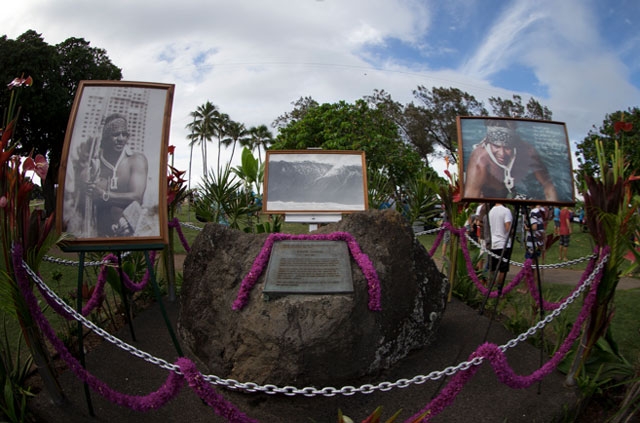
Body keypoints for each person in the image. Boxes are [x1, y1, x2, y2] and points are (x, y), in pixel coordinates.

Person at [72, 113, 148, 237]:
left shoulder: (136, 161)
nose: (121, 138)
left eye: (124, 134)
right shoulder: (92, 167)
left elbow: (137, 197)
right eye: (116, 134)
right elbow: (81, 207)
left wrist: (104, 195)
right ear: (106, 137)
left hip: (130, 233)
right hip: (99, 234)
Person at [464, 121, 558, 201]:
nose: (502, 153)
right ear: (488, 143)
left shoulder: (528, 152)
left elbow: (548, 186)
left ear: (514, 146)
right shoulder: (480, 159)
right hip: (488, 193)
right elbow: (471, 197)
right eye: (496, 146)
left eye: (507, 148)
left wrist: (554, 210)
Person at [488, 202, 513, 287]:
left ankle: (490, 286)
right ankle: (499, 288)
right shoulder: (506, 211)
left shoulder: (491, 211)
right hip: (503, 243)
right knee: (503, 269)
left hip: (494, 242)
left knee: (493, 268)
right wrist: (511, 232)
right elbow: (507, 227)